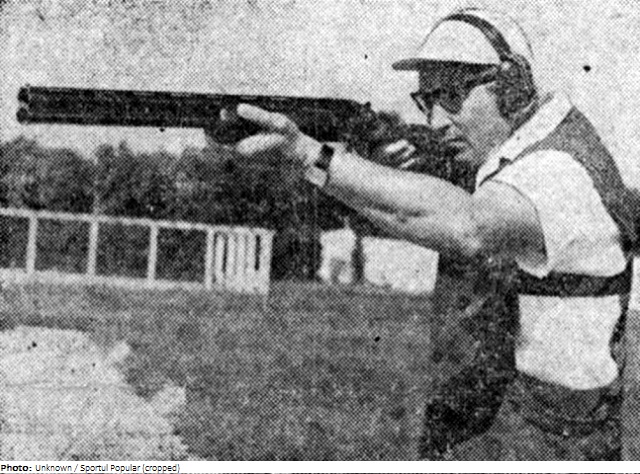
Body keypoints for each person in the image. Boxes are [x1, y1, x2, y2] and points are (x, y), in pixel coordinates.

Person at [229, 7, 637, 460]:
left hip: (550, 439)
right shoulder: (524, 154)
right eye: (428, 102)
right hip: (505, 420)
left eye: (453, 97)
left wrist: (311, 155)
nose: (435, 121)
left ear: (512, 86)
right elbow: (416, 214)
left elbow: (468, 226)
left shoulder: (559, 169)